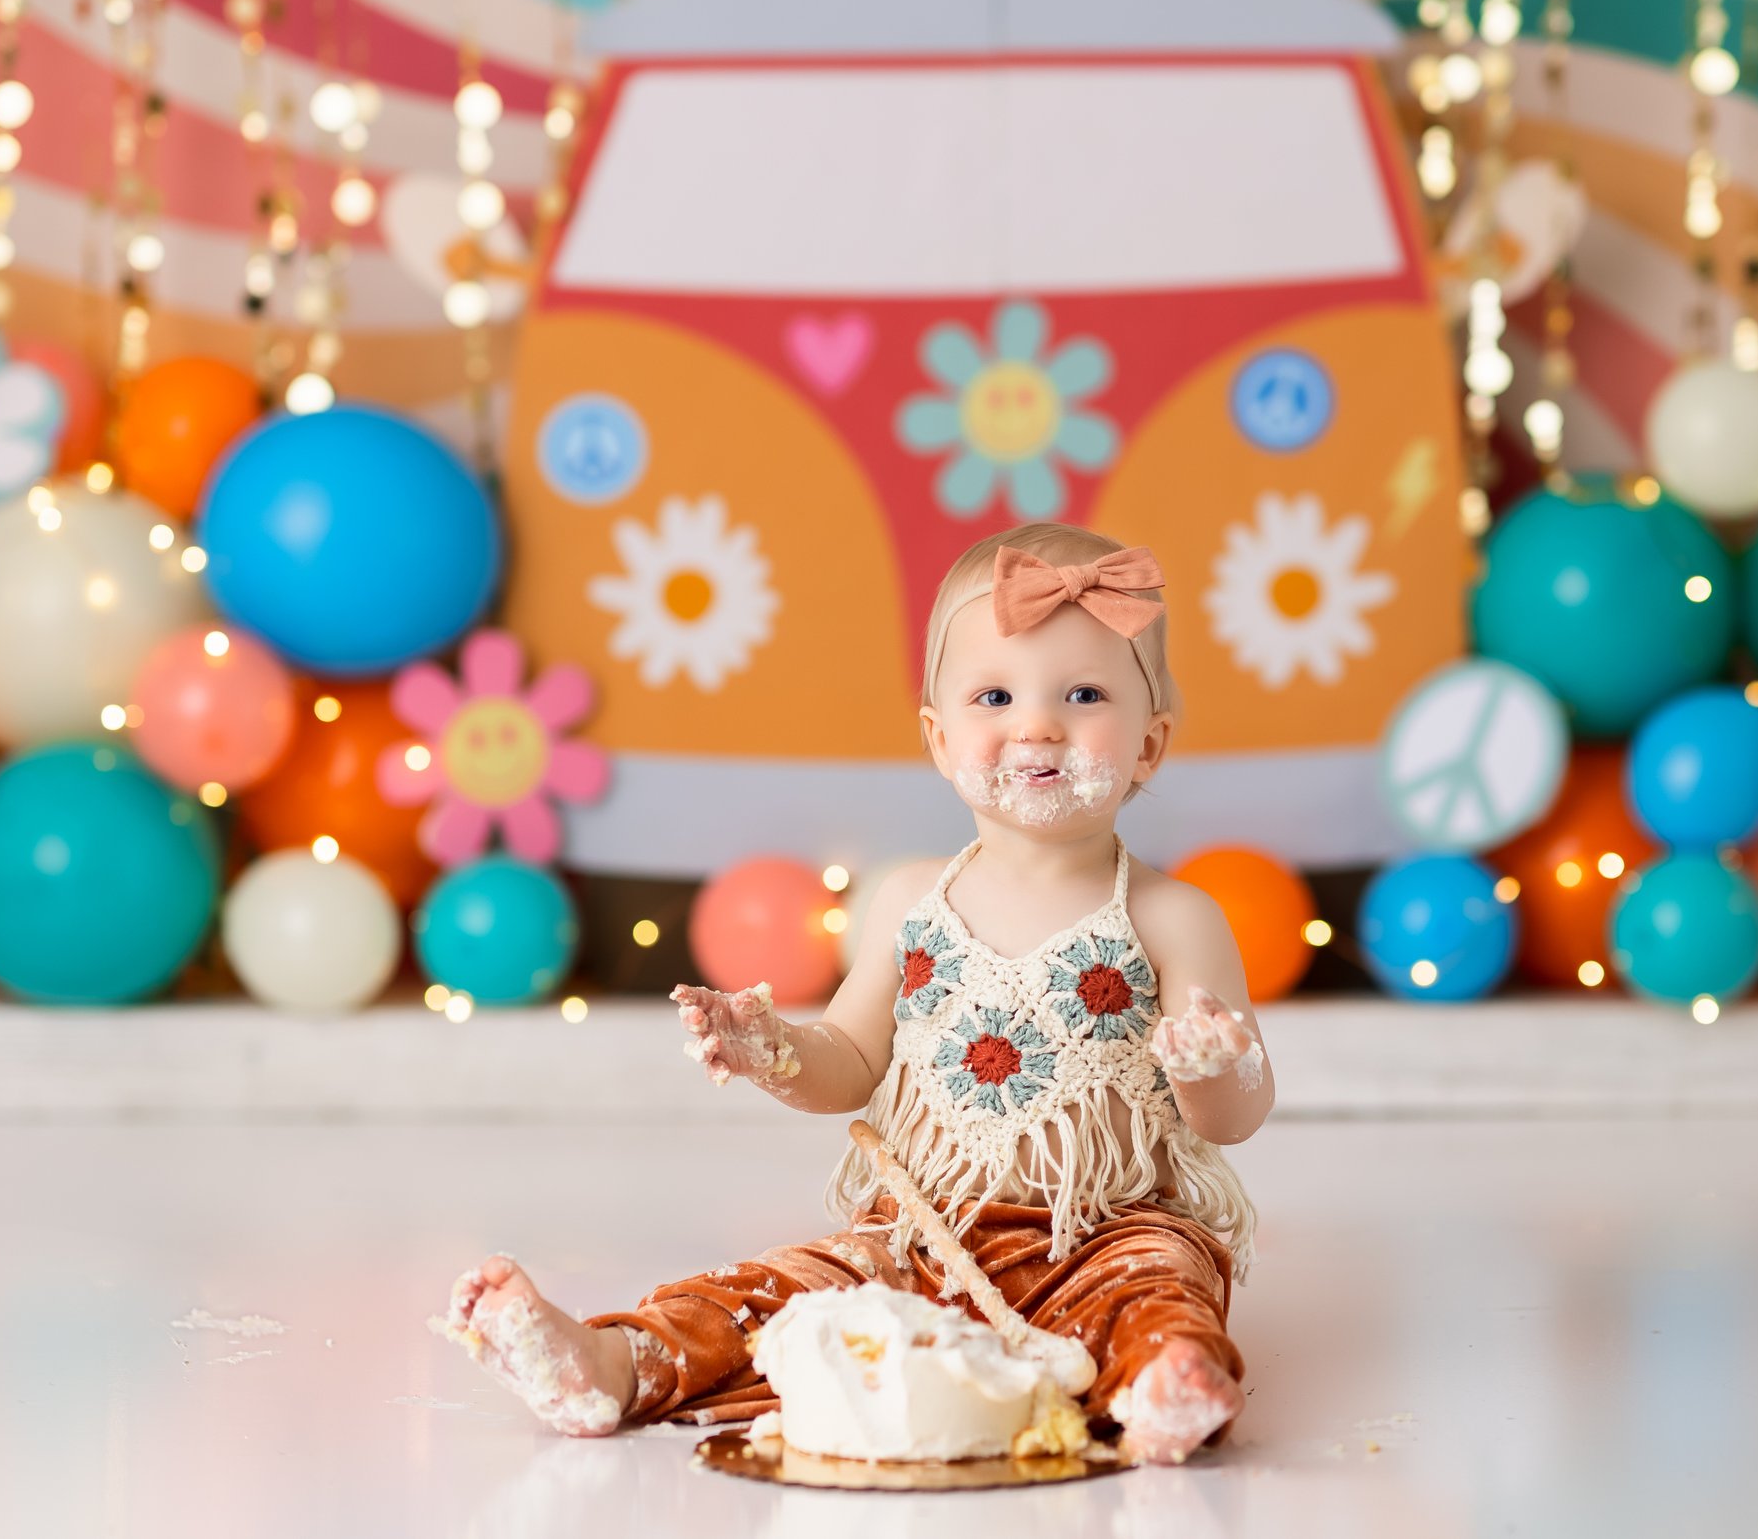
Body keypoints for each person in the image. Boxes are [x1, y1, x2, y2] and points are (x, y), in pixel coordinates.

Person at [435, 523, 1275, 1465]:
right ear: (938, 736)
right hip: (919, 1227)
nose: (1037, 724)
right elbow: (851, 1063)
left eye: (1084, 694)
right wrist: (774, 1051)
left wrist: (1216, 1064)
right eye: (995, 695)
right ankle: (613, 1359)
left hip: (1108, 1227)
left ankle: (1166, 1382)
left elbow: (1237, 1116)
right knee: (782, 1291)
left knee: (1162, 1287)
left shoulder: (1172, 915)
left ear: (1151, 743)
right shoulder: (910, 899)